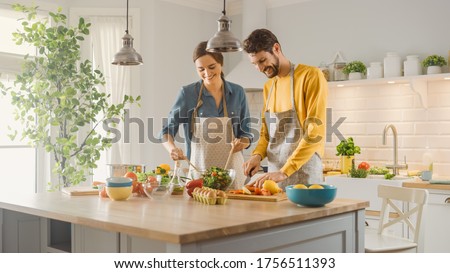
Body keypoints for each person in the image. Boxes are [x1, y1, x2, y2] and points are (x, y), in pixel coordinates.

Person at [242, 29, 328, 190]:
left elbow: (315, 132)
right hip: (274, 178)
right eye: (255, 64)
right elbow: (266, 134)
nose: (260, 68)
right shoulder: (269, 87)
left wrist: (285, 172)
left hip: (305, 175)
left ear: (276, 48)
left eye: (262, 61)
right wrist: (257, 156)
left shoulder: (310, 76)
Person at [160, 41, 252, 189]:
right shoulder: (187, 94)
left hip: (233, 175)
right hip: (199, 175)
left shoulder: (238, 93)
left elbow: (246, 133)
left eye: (211, 67)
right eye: (201, 69)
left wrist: (242, 143)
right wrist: (173, 149)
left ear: (221, 64)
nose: (207, 73)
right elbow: (166, 131)